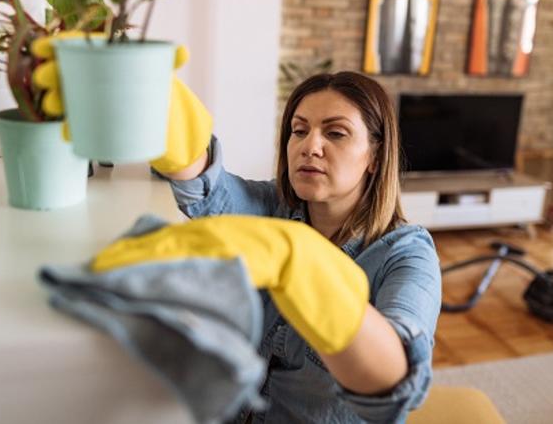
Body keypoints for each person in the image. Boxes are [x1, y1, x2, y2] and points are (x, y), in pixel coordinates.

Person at [147, 71, 442, 423]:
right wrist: (154, 96)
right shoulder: (276, 208)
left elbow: (394, 379)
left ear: (375, 157)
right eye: (299, 130)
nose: (310, 146)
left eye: (335, 133)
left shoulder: (407, 256)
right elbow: (210, 191)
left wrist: (309, 272)